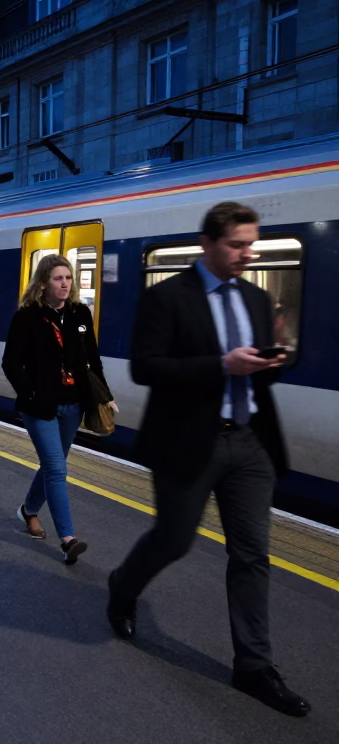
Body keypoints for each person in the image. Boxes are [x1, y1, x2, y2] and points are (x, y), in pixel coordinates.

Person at [107, 202, 309, 716]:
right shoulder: (167, 297)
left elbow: (257, 372)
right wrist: (223, 364)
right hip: (187, 440)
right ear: (208, 244)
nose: (248, 253)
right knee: (174, 540)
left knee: (252, 554)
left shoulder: (258, 299)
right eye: (237, 244)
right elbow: (146, 369)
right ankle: (123, 586)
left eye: (251, 244)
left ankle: (254, 667)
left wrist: (272, 361)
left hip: (249, 441)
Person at [1, 255, 113, 565]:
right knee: (57, 468)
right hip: (40, 407)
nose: (65, 283)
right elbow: (10, 362)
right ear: (42, 283)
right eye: (57, 278)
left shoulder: (80, 313)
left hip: (73, 404)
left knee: (54, 465)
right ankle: (68, 538)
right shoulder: (27, 317)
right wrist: (31, 394)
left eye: (68, 278)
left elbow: (93, 358)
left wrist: (104, 394)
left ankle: (28, 510)